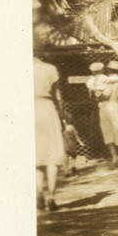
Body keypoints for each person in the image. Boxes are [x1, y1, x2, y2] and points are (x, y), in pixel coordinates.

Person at [34, 55, 68, 211]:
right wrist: (62, 117)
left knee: (35, 154)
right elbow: (58, 97)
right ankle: (51, 197)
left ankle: (38, 193)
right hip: (47, 108)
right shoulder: (50, 68)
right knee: (52, 153)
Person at [86, 60, 118, 167]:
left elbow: (105, 95)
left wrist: (97, 94)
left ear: (109, 70)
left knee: (108, 131)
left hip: (106, 106)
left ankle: (114, 157)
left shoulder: (107, 81)